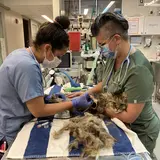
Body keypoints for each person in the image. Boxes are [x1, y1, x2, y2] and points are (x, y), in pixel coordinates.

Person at [68, 12, 160, 159]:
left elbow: (129, 116)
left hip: (140, 129)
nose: (100, 50)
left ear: (116, 39)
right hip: (120, 122)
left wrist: (97, 104)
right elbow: (106, 82)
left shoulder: (138, 69)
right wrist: (87, 93)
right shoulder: (113, 56)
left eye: (102, 44)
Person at [0, 15, 93, 155]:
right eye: (59, 56)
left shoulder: (21, 55)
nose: (59, 61)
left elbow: (24, 94)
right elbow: (39, 110)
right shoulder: (27, 66)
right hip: (13, 129)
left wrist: (44, 98)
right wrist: (73, 103)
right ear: (48, 48)